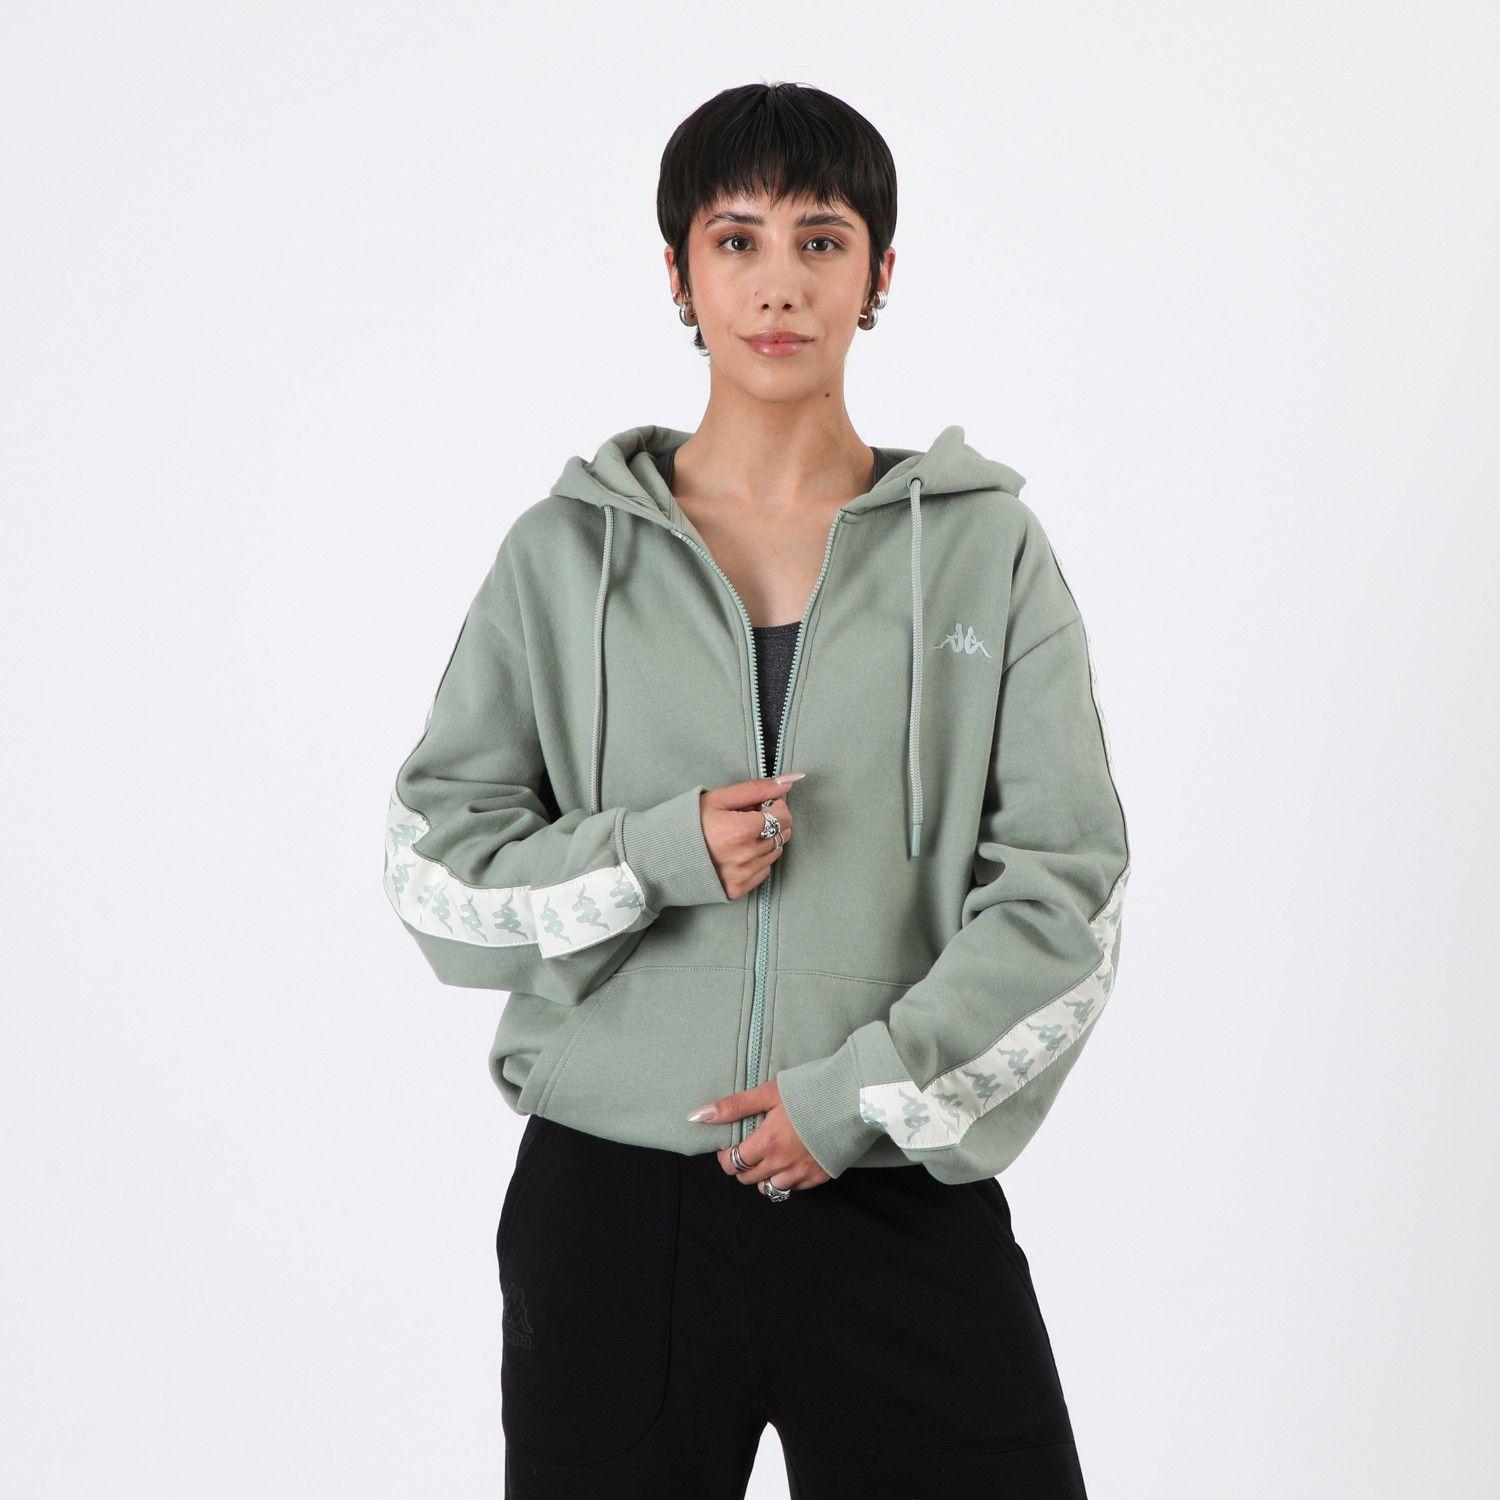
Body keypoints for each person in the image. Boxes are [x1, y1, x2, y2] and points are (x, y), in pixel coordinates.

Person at [381, 80, 1130, 1500]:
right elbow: (434, 875)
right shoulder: (562, 556)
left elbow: (1068, 892)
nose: (779, 284)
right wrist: (652, 854)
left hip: (893, 1187)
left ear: (880, 274)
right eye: (736, 241)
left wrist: (856, 1098)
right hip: (615, 1217)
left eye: (821, 240)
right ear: (679, 274)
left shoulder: (986, 553)